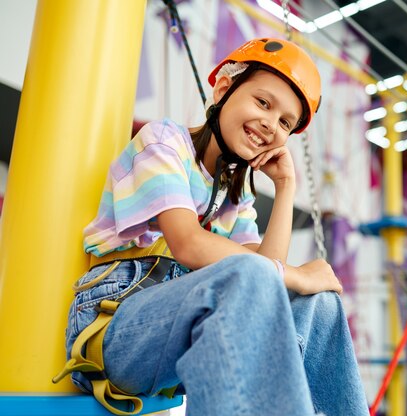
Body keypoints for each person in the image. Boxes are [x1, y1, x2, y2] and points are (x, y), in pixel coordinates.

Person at [54, 38, 369, 416]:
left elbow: (268, 278)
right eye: (263, 103)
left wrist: (286, 186)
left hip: (186, 336)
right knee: (255, 275)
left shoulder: (234, 196)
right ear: (223, 88)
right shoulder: (164, 142)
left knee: (320, 305)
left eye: (285, 122)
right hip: (115, 326)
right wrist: (296, 275)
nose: (270, 124)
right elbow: (188, 244)